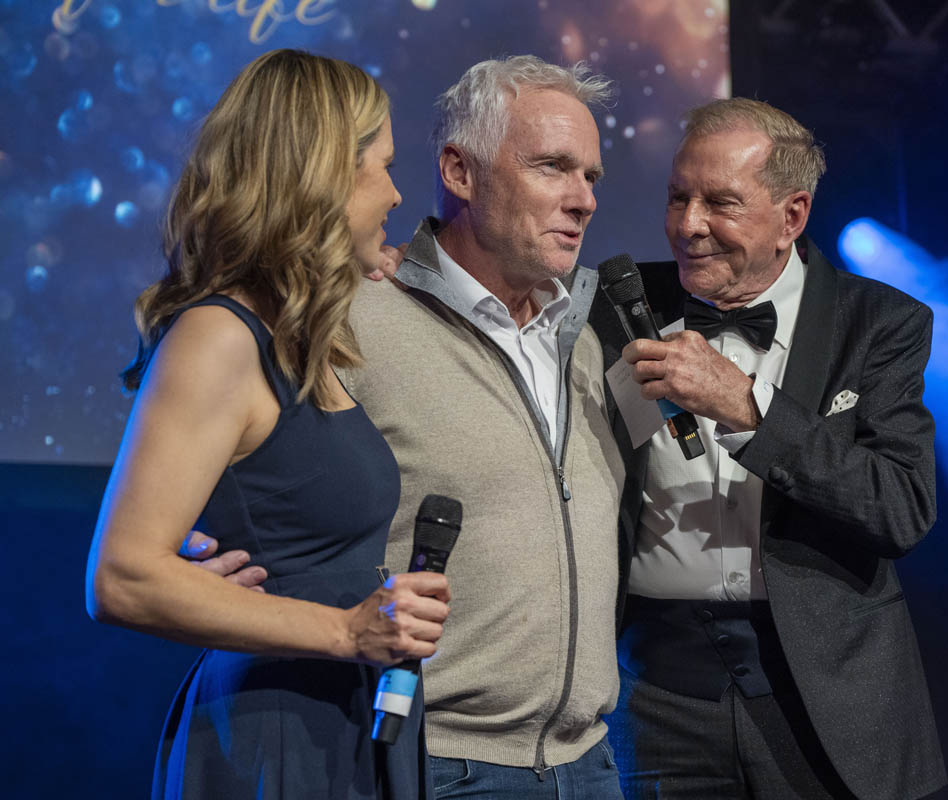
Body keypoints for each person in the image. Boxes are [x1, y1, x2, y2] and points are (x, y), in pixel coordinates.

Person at [187, 55, 626, 798]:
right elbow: (237, 481)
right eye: (553, 167)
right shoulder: (347, 315)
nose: (583, 199)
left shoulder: (582, 339)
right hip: (432, 759)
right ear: (458, 171)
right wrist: (196, 556)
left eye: (591, 176)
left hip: (590, 761)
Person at [85, 49, 450, 800]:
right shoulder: (219, 337)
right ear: (323, 176)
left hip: (338, 716)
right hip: (275, 733)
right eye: (382, 167)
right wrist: (346, 631)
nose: (395, 193)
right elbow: (120, 576)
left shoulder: (297, 339)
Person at [592, 98, 947, 800]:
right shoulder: (615, 304)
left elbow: (901, 508)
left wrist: (749, 410)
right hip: (651, 690)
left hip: (828, 691)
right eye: (678, 197)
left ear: (792, 216)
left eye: (720, 203)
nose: (688, 225)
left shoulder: (879, 323)